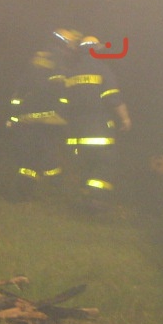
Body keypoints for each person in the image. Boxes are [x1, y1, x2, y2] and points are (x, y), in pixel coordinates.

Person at [61, 34, 132, 211]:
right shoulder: (102, 70)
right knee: (106, 163)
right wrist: (125, 119)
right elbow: (113, 98)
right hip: (99, 129)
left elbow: (64, 102)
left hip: (75, 131)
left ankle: (84, 199)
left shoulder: (71, 72)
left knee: (84, 165)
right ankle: (95, 200)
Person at [6, 47, 68, 200]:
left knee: (29, 159)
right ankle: (57, 190)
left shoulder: (28, 74)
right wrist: (63, 115)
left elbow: (16, 98)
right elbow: (61, 96)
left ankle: (23, 193)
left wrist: (13, 118)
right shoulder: (55, 72)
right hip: (49, 123)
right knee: (49, 157)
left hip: (27, 122)